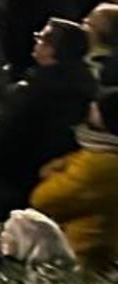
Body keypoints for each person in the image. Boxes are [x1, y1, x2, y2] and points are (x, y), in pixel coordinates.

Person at [0, 17, 99, 225]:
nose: (36, 41)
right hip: (47, 173)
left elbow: (3, 133)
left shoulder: (31, 91)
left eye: (41, 38)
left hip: (12, 174)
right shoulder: (86, 85)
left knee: (7, 223)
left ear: (52, 50)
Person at [30, 86, 118, 272]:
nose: (91, 108)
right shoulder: (100, 152)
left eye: (98, 108)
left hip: (80, 251)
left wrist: (52, 172)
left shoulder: (100, 164)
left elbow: (44, 199)